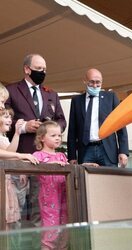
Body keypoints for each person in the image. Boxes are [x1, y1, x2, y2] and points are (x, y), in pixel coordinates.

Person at [5, 53, 67, 227]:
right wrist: (24, 126)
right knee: (17, 207)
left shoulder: (51, 94)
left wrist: (50, 130)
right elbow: (4, 118)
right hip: (21, 155)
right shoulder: (11, 90)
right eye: (38, 69)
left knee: (41, 207)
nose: (42, 72)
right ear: (27, 69)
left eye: (44, 69)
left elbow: (62, 120)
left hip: (46, 160)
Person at [67, 68, 129, 167]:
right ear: (85, 81)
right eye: (91, 82)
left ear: (102, 82)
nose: (95, 85)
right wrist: (72, 156)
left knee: (110, 180)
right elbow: (72, 130)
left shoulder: (111, 97)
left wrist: (123, 151)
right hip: (85, 150)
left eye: (98, 82)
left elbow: (120, 125)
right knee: (86, 181)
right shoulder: (76, 101)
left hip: (107, 149)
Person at [33, 121, 68, 250]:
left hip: (64, 197)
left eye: (59, 135)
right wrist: (51, 164)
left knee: (65, 229)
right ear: (42, 138)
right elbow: (33, 170)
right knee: (50, 229)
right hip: (48, 199)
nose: (58, 138)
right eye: (53, 135)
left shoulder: (62, 156)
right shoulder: (38, 155)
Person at [0, 108, 28, 229]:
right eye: (6, 117)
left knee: (9, 221)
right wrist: (21, 157)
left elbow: (9, 153)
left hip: (7, 181)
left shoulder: (4, 137)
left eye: (10, 117)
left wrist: (17, 133)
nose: (10, 120)